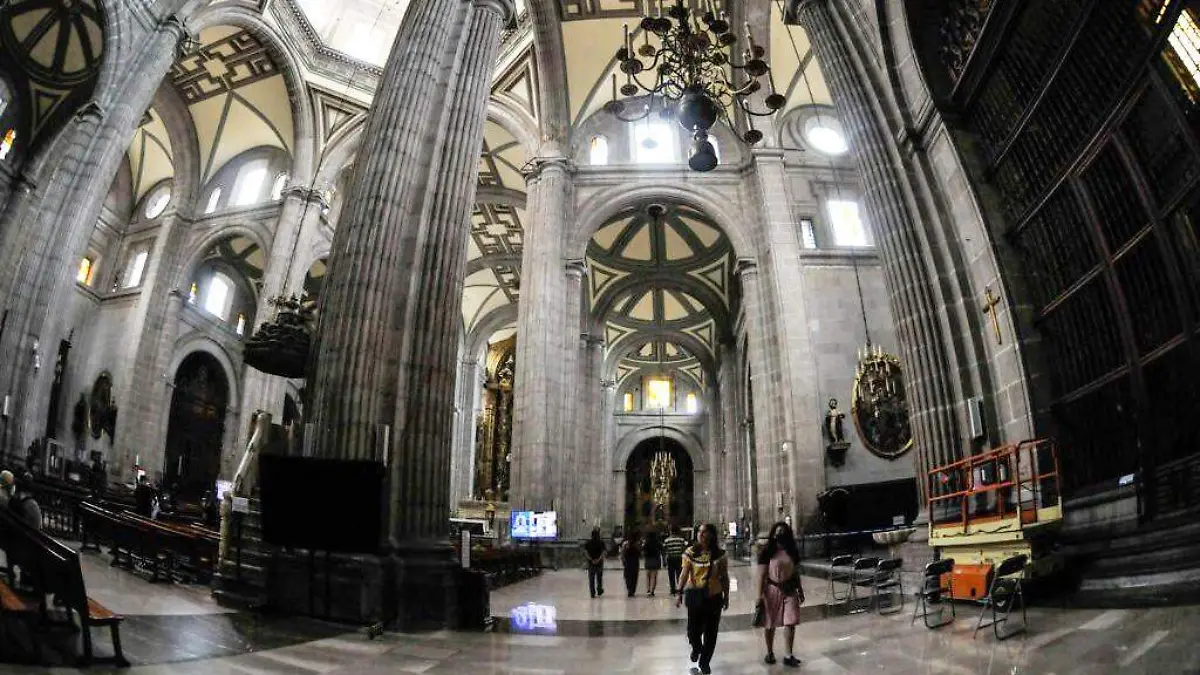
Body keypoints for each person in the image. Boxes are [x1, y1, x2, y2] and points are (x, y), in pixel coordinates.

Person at [676, 523, 729, 675]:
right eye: (699, 531)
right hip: (695, 595)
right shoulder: (690, 553)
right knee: (693, 630)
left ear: (711, 535)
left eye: (704, 532)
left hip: (714, 596)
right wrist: (679, 592)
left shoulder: (720, 555)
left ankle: (705, 661)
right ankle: (696, 647)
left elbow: (724, 576)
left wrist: (727, 596)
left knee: (711, 631)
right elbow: (684, 573)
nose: (701, 534)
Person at [758, 521, 804, 667]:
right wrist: (759, 595)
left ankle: (788, 654)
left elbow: (796, 572)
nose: (780, 534)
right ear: (773, 534)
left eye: (783, 532)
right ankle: (770, 652)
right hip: (772, 589)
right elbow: (761, 574)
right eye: (777, 532)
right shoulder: (767, 551)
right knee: (770, 622)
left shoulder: (792, 551)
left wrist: (800, 589)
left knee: (791, 621)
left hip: (790, 588)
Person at [663, 526, 687, 594]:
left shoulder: (667, 540)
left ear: (671, 531)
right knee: (679, 574)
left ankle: (672, 589)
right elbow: (684, 548)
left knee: (671, 574)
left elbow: (664, 550)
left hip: (670, 558)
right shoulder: (681, 540)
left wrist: (664, 560)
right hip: (679, 558)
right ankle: (680, 588)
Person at [583, 527, 606, 598]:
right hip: (599, 563)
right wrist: (598, 559)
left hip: (591, 563)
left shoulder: (588, 543)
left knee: (591, 579)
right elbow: (603, 552)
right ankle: (599, 590)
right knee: (599, 578)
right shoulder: (601, 542)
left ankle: (592, 593)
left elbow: (586, 552)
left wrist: (591, 560)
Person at [619, 530, 642, 597]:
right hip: (635, 562)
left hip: (627, 562)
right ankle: (632, 590)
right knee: (634, 577)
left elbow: (622, 553)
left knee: (627, 576)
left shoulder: (625, 544)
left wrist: (623, 561)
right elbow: (640, 553)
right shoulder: (637, 544)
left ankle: (629, 589)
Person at [643, 531, 662, 596]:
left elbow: (643, 551)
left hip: (648, 560)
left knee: (648, 576)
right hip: (656, 560)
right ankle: (652, 591)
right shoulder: (658, 543)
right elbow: (662, 549)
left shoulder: (646, 543)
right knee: (654, 576)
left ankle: (648, 590)